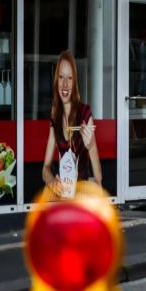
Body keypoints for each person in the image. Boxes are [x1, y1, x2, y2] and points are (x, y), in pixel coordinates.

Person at [41, 50, 102, 197]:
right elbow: (45, 168)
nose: (65, 84)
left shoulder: (85, 113)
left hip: (83, 189)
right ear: (56, 81)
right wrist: (51, 182)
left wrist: (91, 145)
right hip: (63, 189)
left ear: (74, 82)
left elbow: (99, 178)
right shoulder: (55, 117)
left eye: (70, 78)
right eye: (61, 77)